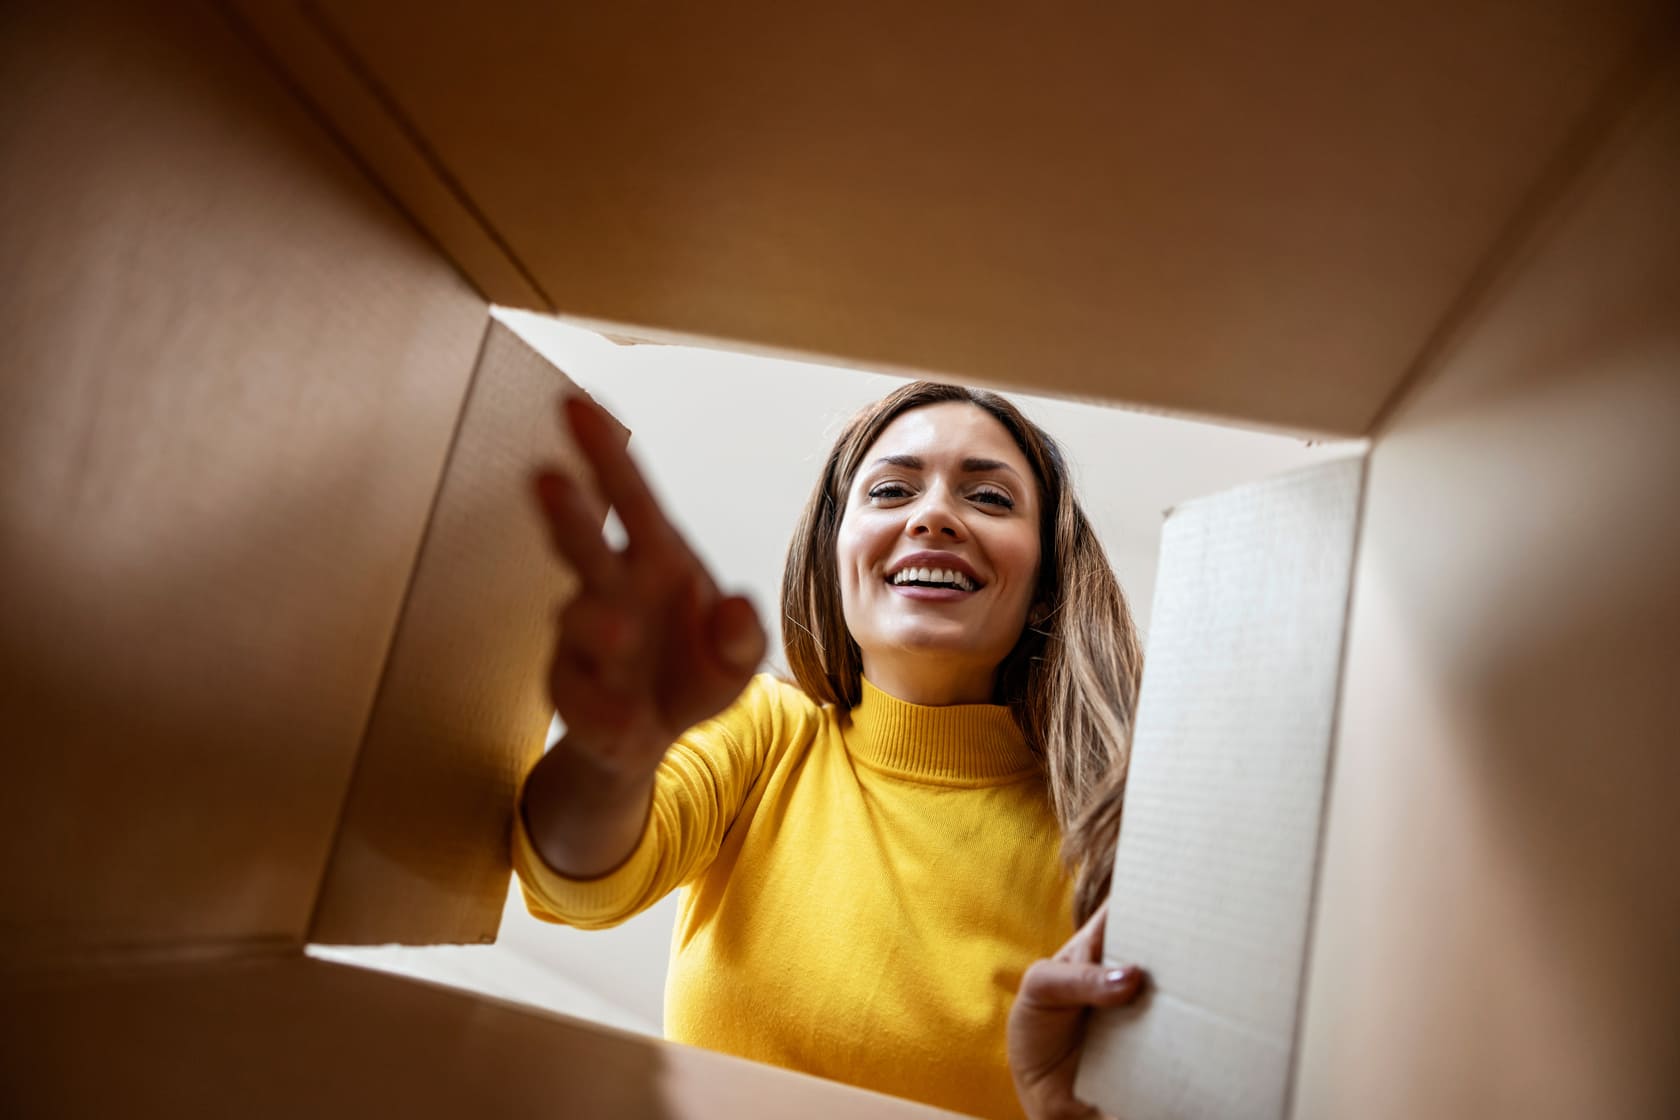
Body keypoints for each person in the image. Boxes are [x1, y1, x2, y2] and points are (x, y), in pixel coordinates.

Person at [517, 381, 1143, 1120]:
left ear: (1044, 584)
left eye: (990, 499)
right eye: (890, 490)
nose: (935, 515)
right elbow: (575, 883)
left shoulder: (1112, 838)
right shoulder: (768, 731)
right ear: (835, 553)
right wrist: (612, 757)